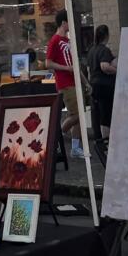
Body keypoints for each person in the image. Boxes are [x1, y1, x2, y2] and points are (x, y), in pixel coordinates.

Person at [46, 9, 85, 158]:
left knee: (77, 115)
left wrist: (85, 82)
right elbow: (48, 63)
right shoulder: (55, 40)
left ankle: (75, 147)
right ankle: (55, 136)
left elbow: (75, 65)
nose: (72, 25)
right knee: (77, 114)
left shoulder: (68, 41)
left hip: (74, 81)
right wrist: (65, 68)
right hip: (65, 83)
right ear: (63, 23)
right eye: (69, 22)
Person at [87, 25, 116, 139]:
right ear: (107, 36)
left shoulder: (92, 50)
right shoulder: (104, 50)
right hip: (105, 87)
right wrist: (117, 71)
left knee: (96, 114)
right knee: (105, 115)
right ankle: (106, 140)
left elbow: (89, 69)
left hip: (93, 85)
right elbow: (104, 66)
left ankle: (98, 139)